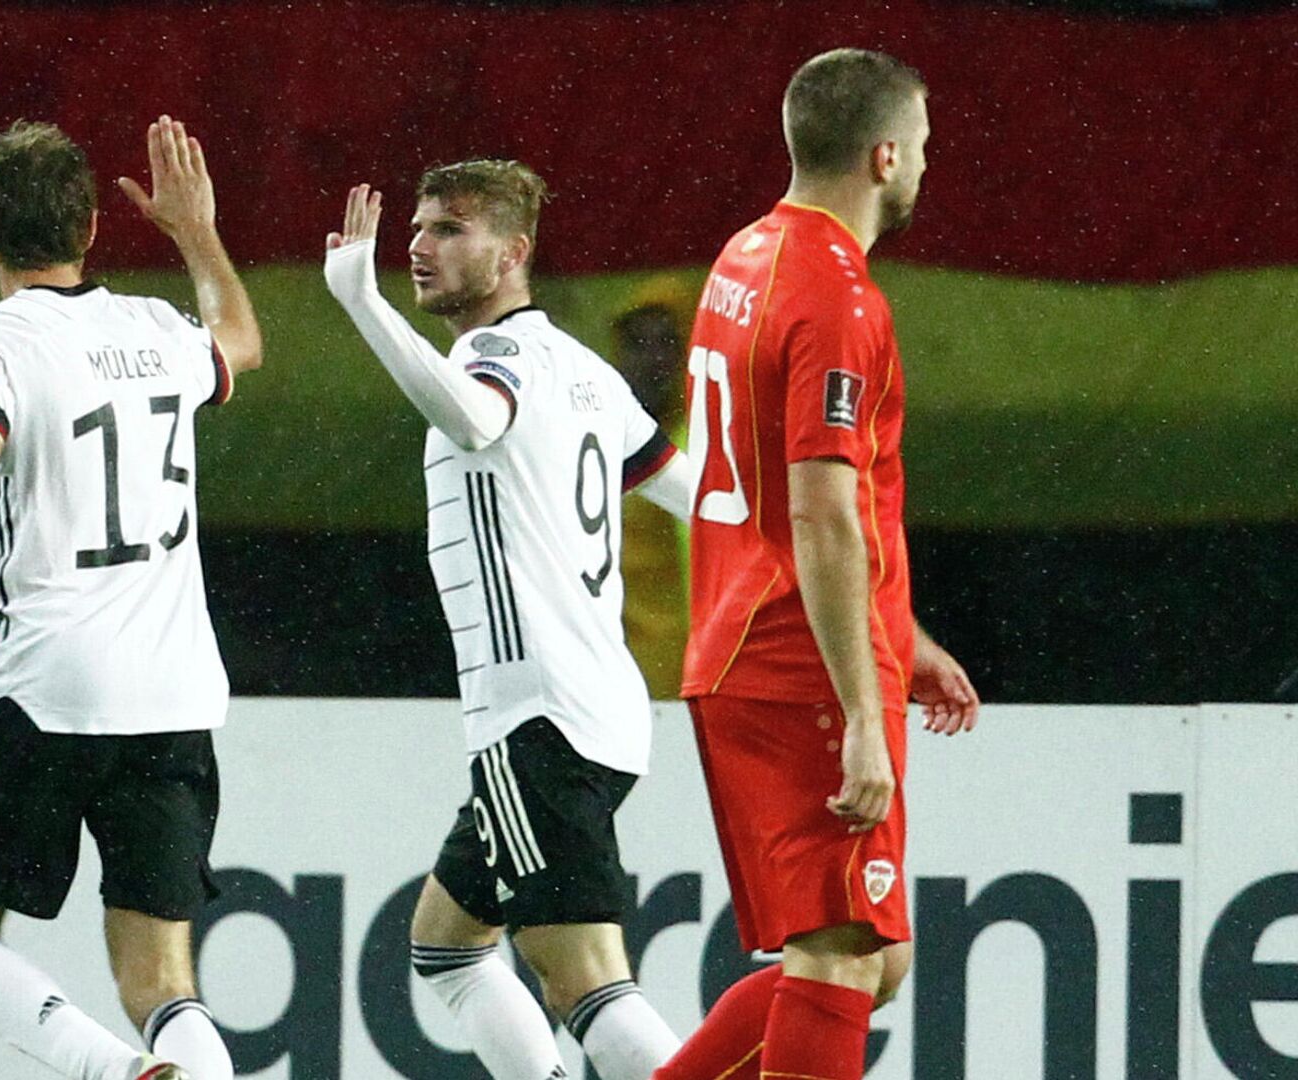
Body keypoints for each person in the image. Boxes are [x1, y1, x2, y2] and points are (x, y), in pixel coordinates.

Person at [0, 116, 262, 1080]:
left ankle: (113, 1072)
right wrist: (195, 233)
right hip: (174, 693)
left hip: (47, 688)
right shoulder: (158, 331)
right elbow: (242, 339)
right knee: (160, 976)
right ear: (94, 229)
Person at [323, 162, 695, 1080]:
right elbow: (702, 501)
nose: (418, 245)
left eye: (450, 229)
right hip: (592, 713)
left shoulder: (492, 362)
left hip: (541, 719)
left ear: (513, 252)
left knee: (587, 986)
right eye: (418, 227)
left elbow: (472, 420)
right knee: (447, 947)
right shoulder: (588, 373)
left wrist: (365, 306)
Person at [653, 49, 980, 1080]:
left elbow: (779, 487)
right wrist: (864, 719)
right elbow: (823, 511)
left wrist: (903, 637)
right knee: (840, 954)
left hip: (749, 633)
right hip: (800, 660)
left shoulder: (745, 254)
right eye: (922, 147)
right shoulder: (838, 297)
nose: (927, 164)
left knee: (875, 960)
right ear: (885, 155)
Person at [609, 279, 697, 699]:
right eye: (637, 343)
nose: (651, 359)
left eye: (667, 342)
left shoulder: (706, 444)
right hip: (613, 670)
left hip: (691, 669)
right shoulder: (596, 440)